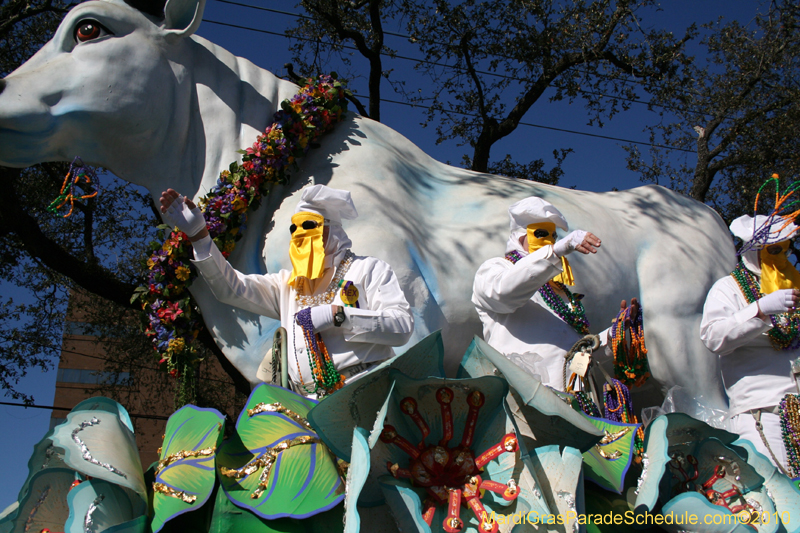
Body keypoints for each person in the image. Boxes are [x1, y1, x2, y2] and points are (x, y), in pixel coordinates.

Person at [160, 184, 414, 398]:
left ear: (332, 232)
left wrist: (339, 316)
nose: (300, 236)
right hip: (305, 407)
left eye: (309, 227)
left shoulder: (368, 270)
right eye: (294, 230)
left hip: (365, 391)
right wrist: (199, 237)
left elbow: (401, 327)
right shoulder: (288, 285)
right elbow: (232, 289)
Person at [472, 197, 634, 392]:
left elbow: (578, 353)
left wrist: (615, 333)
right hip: (523, 398)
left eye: (554, 237)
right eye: (540, 234)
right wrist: (556, 251)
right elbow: (503, 293)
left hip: (575, 401)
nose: (549, 241)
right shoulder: (494, 269)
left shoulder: (560, 294)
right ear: (519, 237)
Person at [701, 214, 800, 472]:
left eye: (786, 248)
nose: (782, 256)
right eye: (774, 249)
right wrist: (760, 310)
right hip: (762, 415)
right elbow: (713, 337)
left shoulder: (793, 284)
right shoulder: (728, 288)